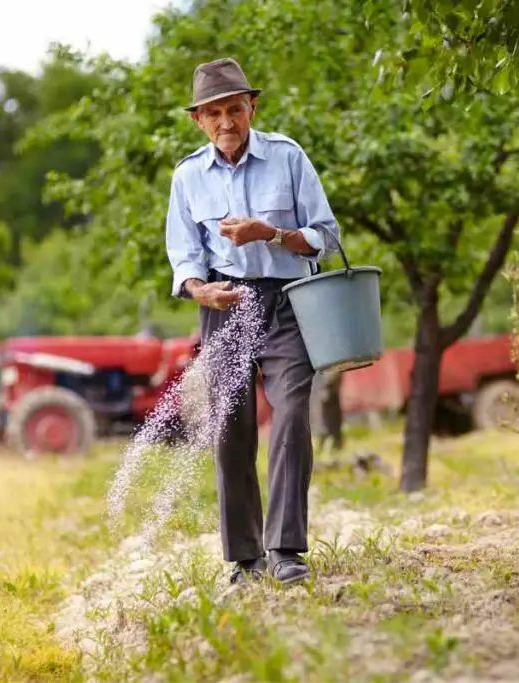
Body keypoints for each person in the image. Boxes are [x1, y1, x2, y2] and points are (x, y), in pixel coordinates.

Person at [164, 57, 340, 586]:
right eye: (213, 113)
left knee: (290, 415)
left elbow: (326, 236)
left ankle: (286, 550)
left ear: (252, 107)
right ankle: (245, 559)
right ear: (198, 120)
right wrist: (200, 290)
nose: (226, 123)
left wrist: (271, 233)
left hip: (288, 300)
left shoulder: (288, 157)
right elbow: (184, 254)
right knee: (231, 430)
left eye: (234, 109)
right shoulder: (188, 175)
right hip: (226, 305)